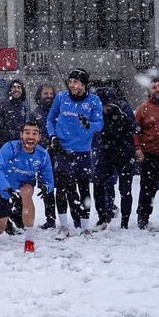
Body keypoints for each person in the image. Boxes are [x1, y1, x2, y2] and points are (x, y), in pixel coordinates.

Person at [45, 68, 103, 238]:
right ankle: (63, 226)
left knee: (84, 189)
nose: (72, 85)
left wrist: (89, 125)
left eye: (76, 82)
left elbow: (99, 124)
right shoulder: (61, 98)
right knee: (61, 189)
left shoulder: (93, 100)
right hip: (62, 151)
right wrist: (53, 137)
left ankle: (85, 228)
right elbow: (50, 119)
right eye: (70, 81)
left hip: (83, 152)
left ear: (84, 84)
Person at [0, 120, 55, 253]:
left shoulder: (42, 155)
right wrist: (5, 187)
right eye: (27, 132)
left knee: (26, 193)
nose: (30, 136)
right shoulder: (10, 148)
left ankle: (29, 241)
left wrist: (46, 187)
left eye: (34, 133)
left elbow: (49, 180)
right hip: (6, 184)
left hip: (25, 183)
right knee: (0, 229)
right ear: (21, 135)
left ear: (39, 137)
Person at [0, 79, 29, 235]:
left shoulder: (24, 108)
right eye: (14, 87)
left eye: (19, 87)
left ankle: (15, 218)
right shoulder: (2, 103)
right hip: (1, 153)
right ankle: (1, 219)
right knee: (1, 188)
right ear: (9, 90)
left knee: (18, 187)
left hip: (18, 154)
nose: (16, 89)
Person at [92, 85, 137, 230]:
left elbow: (133, 128)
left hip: (124, 152)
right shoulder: (96, 111)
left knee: (125, 189)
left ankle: (125, 220)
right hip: (105, 152)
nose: (105, 108)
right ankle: (102, 217)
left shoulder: (123, 108)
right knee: (98, 183)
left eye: (106, 105)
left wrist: (120, 117)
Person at [133, 77, 159, 230]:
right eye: (154, 87)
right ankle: (142, 219)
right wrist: (137, 148)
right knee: (147, 190)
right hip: (150, 156)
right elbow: (135, 132)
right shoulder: (143, 108)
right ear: (150, 91)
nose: (157, 89)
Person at [29, 83, 59, 230]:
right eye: (45, 94)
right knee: (47, 188)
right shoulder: (34, 114)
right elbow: (31, 133)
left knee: (64, 187)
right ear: (40, 95)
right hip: (43, 155)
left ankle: (72, 218)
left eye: (50, 94)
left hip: (60, 154)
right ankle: (50, 219)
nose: (48, 96)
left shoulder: (59, 110)